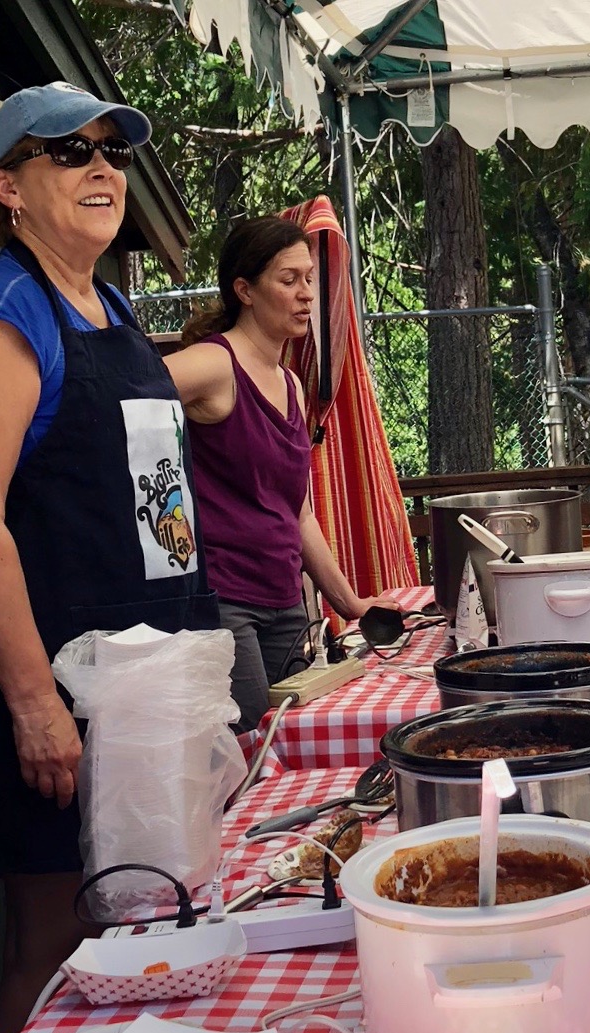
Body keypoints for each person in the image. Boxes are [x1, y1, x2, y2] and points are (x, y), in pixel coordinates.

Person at [0, 81, 218, 1033]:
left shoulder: (114, 305)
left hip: (150, 688)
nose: (99, 170)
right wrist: (36, 705)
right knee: (57, 939)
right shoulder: (7, 313)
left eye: (112, 154)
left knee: (143, 927)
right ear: (6, 185)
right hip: (60, 702)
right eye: (68, 152)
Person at [165, 215, 400, 731]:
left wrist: (350, 602)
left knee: (294, 730)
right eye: (287, 280)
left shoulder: (292, 386)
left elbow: (298, 509)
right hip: (223, 601)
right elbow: (124, 398)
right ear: (244, 289)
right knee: (247, 728)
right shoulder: (213, 363)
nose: (305, 295)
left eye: (309, 279)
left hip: (286, 603)